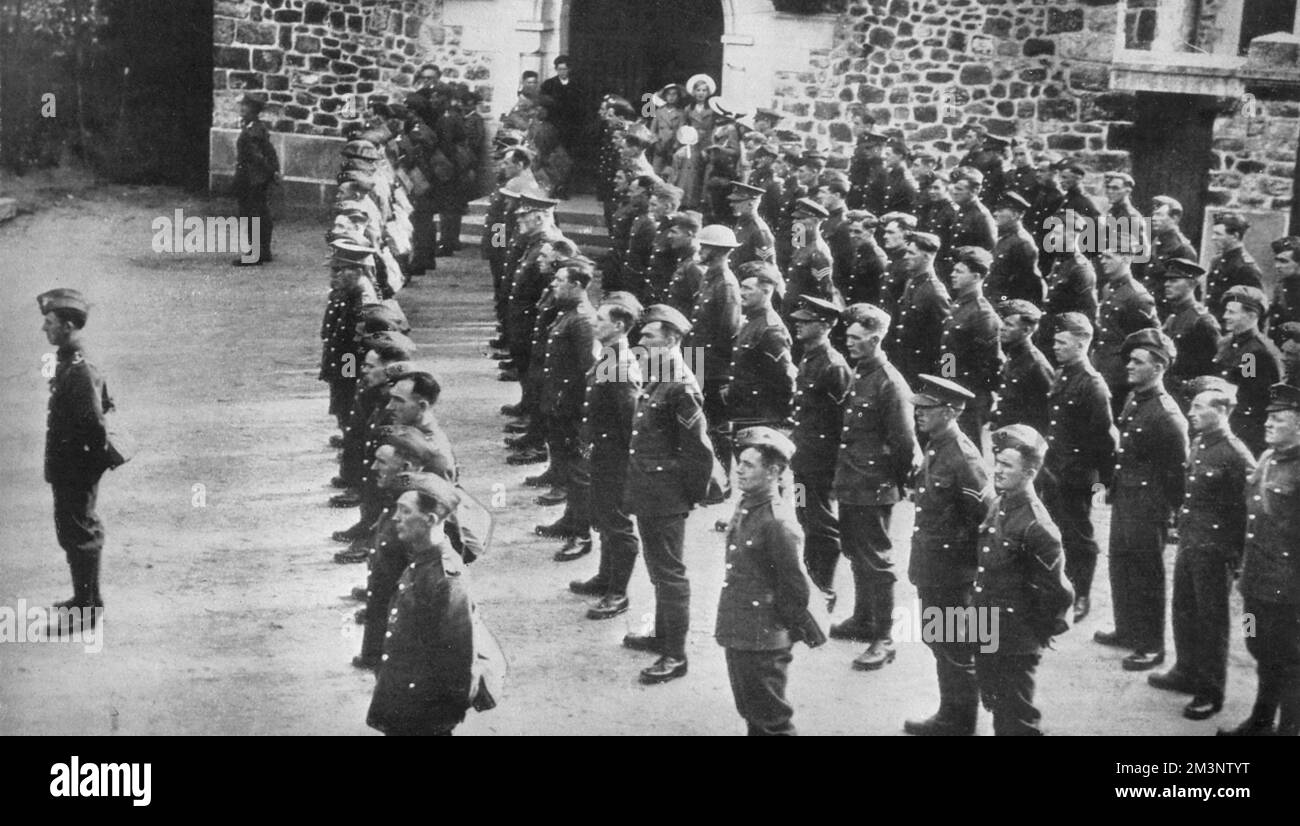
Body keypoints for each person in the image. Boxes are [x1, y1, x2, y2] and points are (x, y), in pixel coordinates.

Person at [1146, 381, 1254, 720]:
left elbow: (1249, 510)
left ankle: (1210, 690)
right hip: (1192, 541)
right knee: (1184, 609)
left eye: (1198, 408)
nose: (1191, 413)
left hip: (1216, 549)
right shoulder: (1199, 443)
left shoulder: (1235, 454)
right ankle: (1186, 671)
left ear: (1221, 411)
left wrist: (1237, 556)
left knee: (1212, 620)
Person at [621, 305, 717, 684]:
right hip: (650, 490)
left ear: (672, 339)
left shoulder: (680, 385)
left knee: (670, 574)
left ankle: (675, 655)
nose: (641, 340)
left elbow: (698, 450)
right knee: (659, 569)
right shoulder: (659, 375)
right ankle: (662, 635)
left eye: (649, 335)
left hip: (665, 494)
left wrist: (687, 497)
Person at [716, 427, 827, 736]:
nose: (739, 470)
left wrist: (779, 634)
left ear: (773, 472)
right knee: (751, 708)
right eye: (739, 462)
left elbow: (794, 587)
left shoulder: (776, 522)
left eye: (748, 465)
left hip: (763, 636)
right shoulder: (749, 504)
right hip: (741, 627)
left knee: (771, 720)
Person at [366, 474, 490, 736]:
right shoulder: (421, 559)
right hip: (407, 699)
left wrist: (443, 716)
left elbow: (459, 656)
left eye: (405, 511)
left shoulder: (446, 579)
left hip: (425, 711)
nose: (396, 518)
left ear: (430, 520)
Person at [832, 303, 919, 670]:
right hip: (852, 478)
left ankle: (884, 638)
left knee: (877, 560)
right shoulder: (862, 372)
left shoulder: (889, 383)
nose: (849, 342)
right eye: (848, 336)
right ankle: (863, 618)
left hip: (874, 484)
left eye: (856, 337)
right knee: (855, 550)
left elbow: (904, 442)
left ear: (875, 339)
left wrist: (892, 482)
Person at [1096, 329, 1188, 671]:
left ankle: (1151, 645)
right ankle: (1127, 629)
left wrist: (1172, 513)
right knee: (1121, 565)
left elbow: (1177, 471)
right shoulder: (1136, 398)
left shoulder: (1166, 414)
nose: (1129, 366)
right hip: (1127, 496)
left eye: (1138, 361)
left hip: (1149, 505)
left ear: (1158, 367)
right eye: (1130, 360)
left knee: (1146, 573)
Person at [974, 425, 1074, 735]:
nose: (998, 470)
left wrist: (1032, 636)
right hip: (989, 626)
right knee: (994, 700)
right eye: (998, 462)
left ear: (1030, 473)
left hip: (1016, 638)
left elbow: (1057, 593)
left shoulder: (1037, 526)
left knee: (1016, 717)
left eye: (1007, 465)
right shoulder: (1000, 503)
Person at [904, 374, 990, 736]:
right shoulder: (938, 446)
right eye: (919, 407)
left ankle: (959, 722)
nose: (919, 412)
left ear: (951, 412)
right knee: (938, 640)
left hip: (954, 573)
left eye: (929, 408)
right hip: (933, 567)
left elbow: (985, 520)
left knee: (955, 647)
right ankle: (951, 714)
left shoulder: (963, 457)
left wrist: (971, 573)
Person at [1218, 383, 1300, 736]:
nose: (1267, 424)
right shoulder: (1267, 458)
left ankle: (1290, 728)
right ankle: (1261, 720)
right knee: (1258, 645)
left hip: (1286, 588)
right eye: (1268, 418)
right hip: (1255, 581)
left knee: (1290, 658)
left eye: (1278, 419)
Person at [39, 289, 119, 630]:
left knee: (80, 532)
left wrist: (88, 465)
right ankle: (85, 599)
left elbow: (96, 421)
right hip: (69, 463)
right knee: (72, 530)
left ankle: (86, 611)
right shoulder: (71, 358)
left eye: (50, 322)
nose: (45, 328)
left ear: (68, 325)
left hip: (76, 465)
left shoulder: (80, 366)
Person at [569, 292, 644, 619]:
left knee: (617, 523)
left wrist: (627, 465)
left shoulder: (620, 364)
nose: (594, 323)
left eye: (601, 319)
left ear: (619, 326)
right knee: (603, 515)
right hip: (602, 452)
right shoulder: (610, 356)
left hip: (615, 457)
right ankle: (605, 577)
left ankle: (618, 593)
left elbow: (630, 421)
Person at [1041, 313, 1115, 623]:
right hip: (1054, 470)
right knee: (1054, 532)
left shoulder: (1092, 385)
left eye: (1062, 342)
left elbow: (1105, 441)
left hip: (1077, 475)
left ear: (1082, 343)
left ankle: (1081, 594)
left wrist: (1100, 485)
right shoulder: (1064, 374)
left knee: (1078, 538)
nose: (1055, 346)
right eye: (1055, 341)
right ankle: (1057, 592)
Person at [789, 297, 853, 609]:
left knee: (822, 523)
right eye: (799, 320)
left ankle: (823, 587)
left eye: (807, 321)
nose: (798, 324)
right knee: (805, 516)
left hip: (821, 462)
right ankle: (811, 581)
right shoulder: (811, 357)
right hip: (803, 460)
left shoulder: (832, 365)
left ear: (825, 325)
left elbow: (844, 420)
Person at [536, 262, 598, 557]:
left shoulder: (582, 319)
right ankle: (570, 520)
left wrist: (581, 408)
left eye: (560, 281)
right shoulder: (569, 313)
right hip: (561, 402)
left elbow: (589, 369)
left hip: (573, 406)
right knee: (569, 465)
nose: (553, 285)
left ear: (577, 285)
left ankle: (581, 534)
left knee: (579, 471)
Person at [685, 225, 743, 494]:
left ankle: (721, 484)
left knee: (717, 427)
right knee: (699, 421)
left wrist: (717, 370)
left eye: (705, 246)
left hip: (713, 366)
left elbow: (728, 331)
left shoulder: (726, 284)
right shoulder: (709, 277)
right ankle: (706, 479)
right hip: (697, 358)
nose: (701, 250)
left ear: (719, 251)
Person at [940, 246, 1003, 448]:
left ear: (976, 277)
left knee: (968, 449)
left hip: (970, 397)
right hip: (952, 389)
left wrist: (977, 398)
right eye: (954, 270)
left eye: (959, 271)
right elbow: (949, 352)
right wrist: (946, 380)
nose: (953, 274)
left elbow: (991, 362)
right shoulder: (960, 305)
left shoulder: (982, 314)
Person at [1214, 285, 1285, 456]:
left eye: (1231, 312)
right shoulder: (1226, 343)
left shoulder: (1253, 352)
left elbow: (1250, 394)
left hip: (1245, 428)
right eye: (1226, 311)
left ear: (1252, 316)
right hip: (1226, 419)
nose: (1225, 316)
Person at [1092, 242, 1159, 419]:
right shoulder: (1108, 289)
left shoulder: (1138, 296)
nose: (1103, 261)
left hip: (1120, 376)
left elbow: (1150, 339)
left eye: (1109, 257)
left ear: (1126, 258)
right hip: (1101, 366)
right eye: (1102, 256)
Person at [887, 230, 951, 388]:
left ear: (927, 257)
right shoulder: (911, 282)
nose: (905, 256)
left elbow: (948, 343)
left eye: (911, 253)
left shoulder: (935, 293)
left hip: (922, 372)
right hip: (903, 366)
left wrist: (946, 381)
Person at [1159, 258, 1222, 409]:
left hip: (1188, 399)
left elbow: (1217, 365)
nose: (1167, 284)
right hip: (1169, 393)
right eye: (1167, 280)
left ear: (1191, 284)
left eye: (1174, 280)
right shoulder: (1173, 317)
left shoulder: (1202, 321)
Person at [991, 300, 1053, 435]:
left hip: (1024, 436)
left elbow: (1048, 410)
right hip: (1006, 431)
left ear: (1026, 330)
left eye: (1009, 325)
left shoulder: (1035, 364)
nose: (1002, 328)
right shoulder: (1013, 355)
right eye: (1003, 323)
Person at [232, 94, 279, 266]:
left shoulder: (253, 130)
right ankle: (263, 251)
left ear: (254, 110)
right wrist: (272, 172)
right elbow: (270, 152)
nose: (242, 109)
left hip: (252, 178)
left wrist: (270, 171)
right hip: (255, 178)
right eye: (242, 105)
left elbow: (257, 156)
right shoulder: (255, 127)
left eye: (246, 106)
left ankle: (256, 253)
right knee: (259, 213)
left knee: (252, 214)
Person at [986, 192, 1043, 307]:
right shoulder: (1003, 236)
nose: (995, 214)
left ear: (1016, 215)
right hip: (992, 299)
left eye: (1001, 211)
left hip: (1004, 303)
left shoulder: (1022, 243)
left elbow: (1028, 283)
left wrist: (1007, 304)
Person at [1206, 213, 1264, 324]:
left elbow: (1255, 308)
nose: (1213, 238)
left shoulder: (1246, 267)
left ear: (1235, 236)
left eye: (1218, 234)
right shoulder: (1216, 260)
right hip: (1211, 324)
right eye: (1214, 233)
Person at [539, 55, 582, 155]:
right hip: (554, 124)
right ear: (556, 69)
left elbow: (580, 104)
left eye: (565, 69)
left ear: (569, 69)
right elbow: (543, 103)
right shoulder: (549, 84)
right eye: (559, 69)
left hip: (572, 124)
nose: (562, 72)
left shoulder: (577, 84)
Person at [730, 181, 777, 268]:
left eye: (737, 202)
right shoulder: (742, 223)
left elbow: (766, 266)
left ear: (750, 204)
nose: (731, 204)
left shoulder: (760, 231)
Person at [1267, 236, 1300, 350]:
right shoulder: (1281, 285)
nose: (1277, 266)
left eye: (1283, 261)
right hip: (1279, 349)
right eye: (1276, 260)